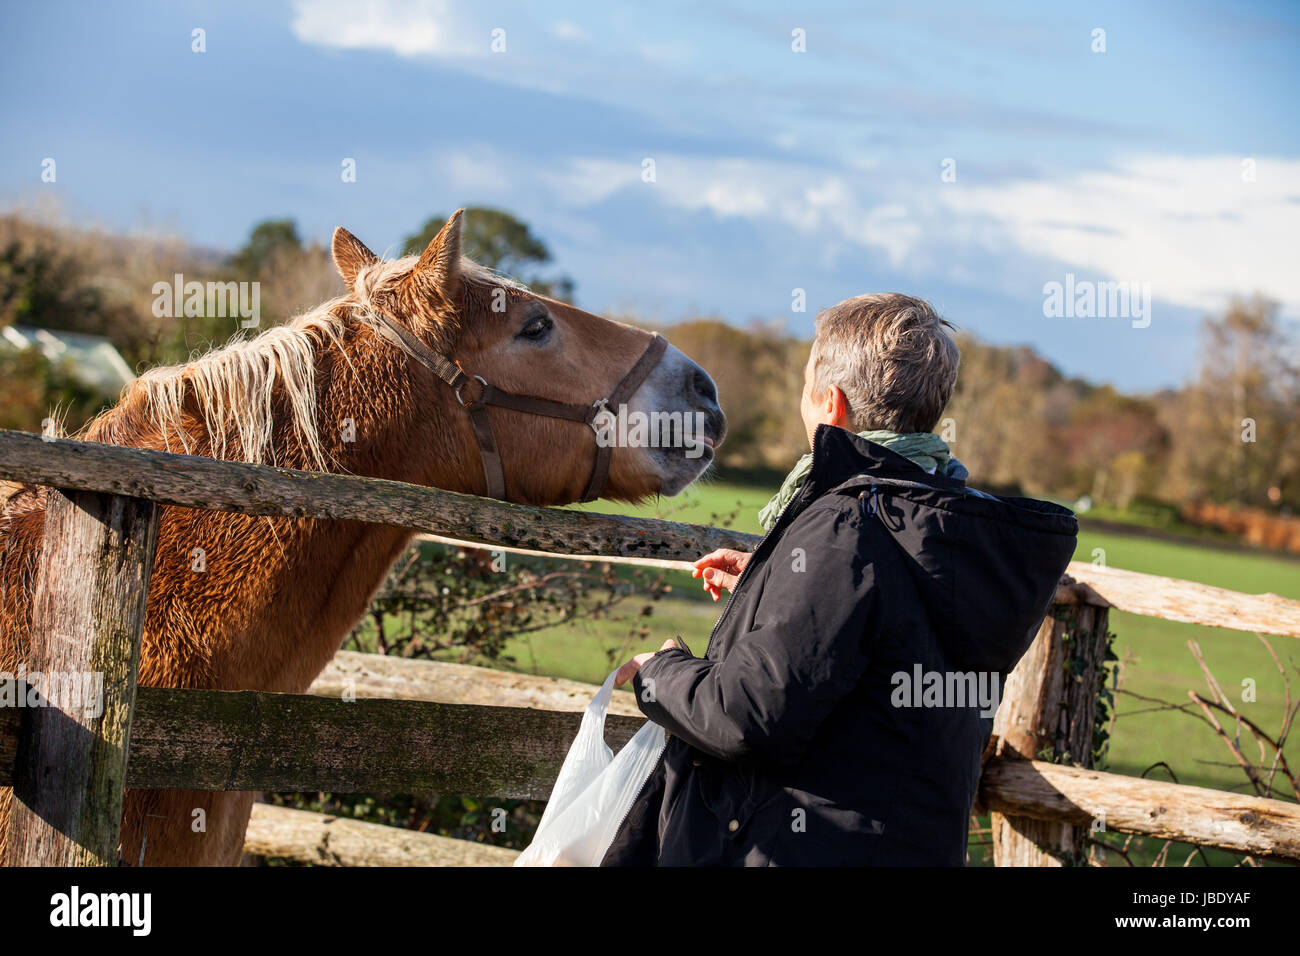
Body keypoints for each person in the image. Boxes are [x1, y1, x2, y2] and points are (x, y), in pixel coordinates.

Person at [603, 293, 1078, 866]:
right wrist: (772, 580)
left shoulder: (846, 525)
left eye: (805, 386)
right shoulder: (950, 526)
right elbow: (889, 624)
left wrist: (659, 672)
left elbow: (747, 716)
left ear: (831, 404)